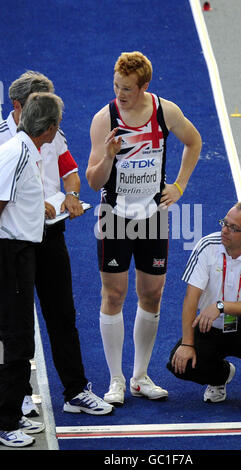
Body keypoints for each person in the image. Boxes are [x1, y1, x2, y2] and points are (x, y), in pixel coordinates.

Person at [86, 51, 202, 405]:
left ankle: (139, 376)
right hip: (116, 217)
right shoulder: (105, 119)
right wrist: (108, 156)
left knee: (152, 295)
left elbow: (194, 142)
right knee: (114, 296)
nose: (119, 93)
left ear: (144, 86)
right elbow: (93, 182)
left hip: (153, 216)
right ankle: (116, 379)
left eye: (127, 88)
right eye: (116, 86)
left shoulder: (165, 111)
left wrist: (179, 186)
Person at [0, 71, 112, 419]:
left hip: (50, 233)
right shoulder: (7, 142)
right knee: (12, 326)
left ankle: (75, 390)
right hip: (16, 240)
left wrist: (73, 195)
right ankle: (14, 397)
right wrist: (34, 204)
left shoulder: (51, 132)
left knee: (62, 313)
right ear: (18, 105)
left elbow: (70, 170)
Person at [167, 202, 241, 413]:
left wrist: (220, 306)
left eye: (234, 228)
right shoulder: (207, 246)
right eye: (225, 223)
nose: (225, 230)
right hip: (212, 327)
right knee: (178, 365)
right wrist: (188, 344)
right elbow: (191, 298)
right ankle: (221, 375)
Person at [0, 92, 63, 447]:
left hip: (18, 250)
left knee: (17, 337)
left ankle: (11, 413)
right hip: (11, 254)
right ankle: (6, 421)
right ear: (50, 127)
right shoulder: (20, 153)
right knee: (17, 338)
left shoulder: (24, 150)